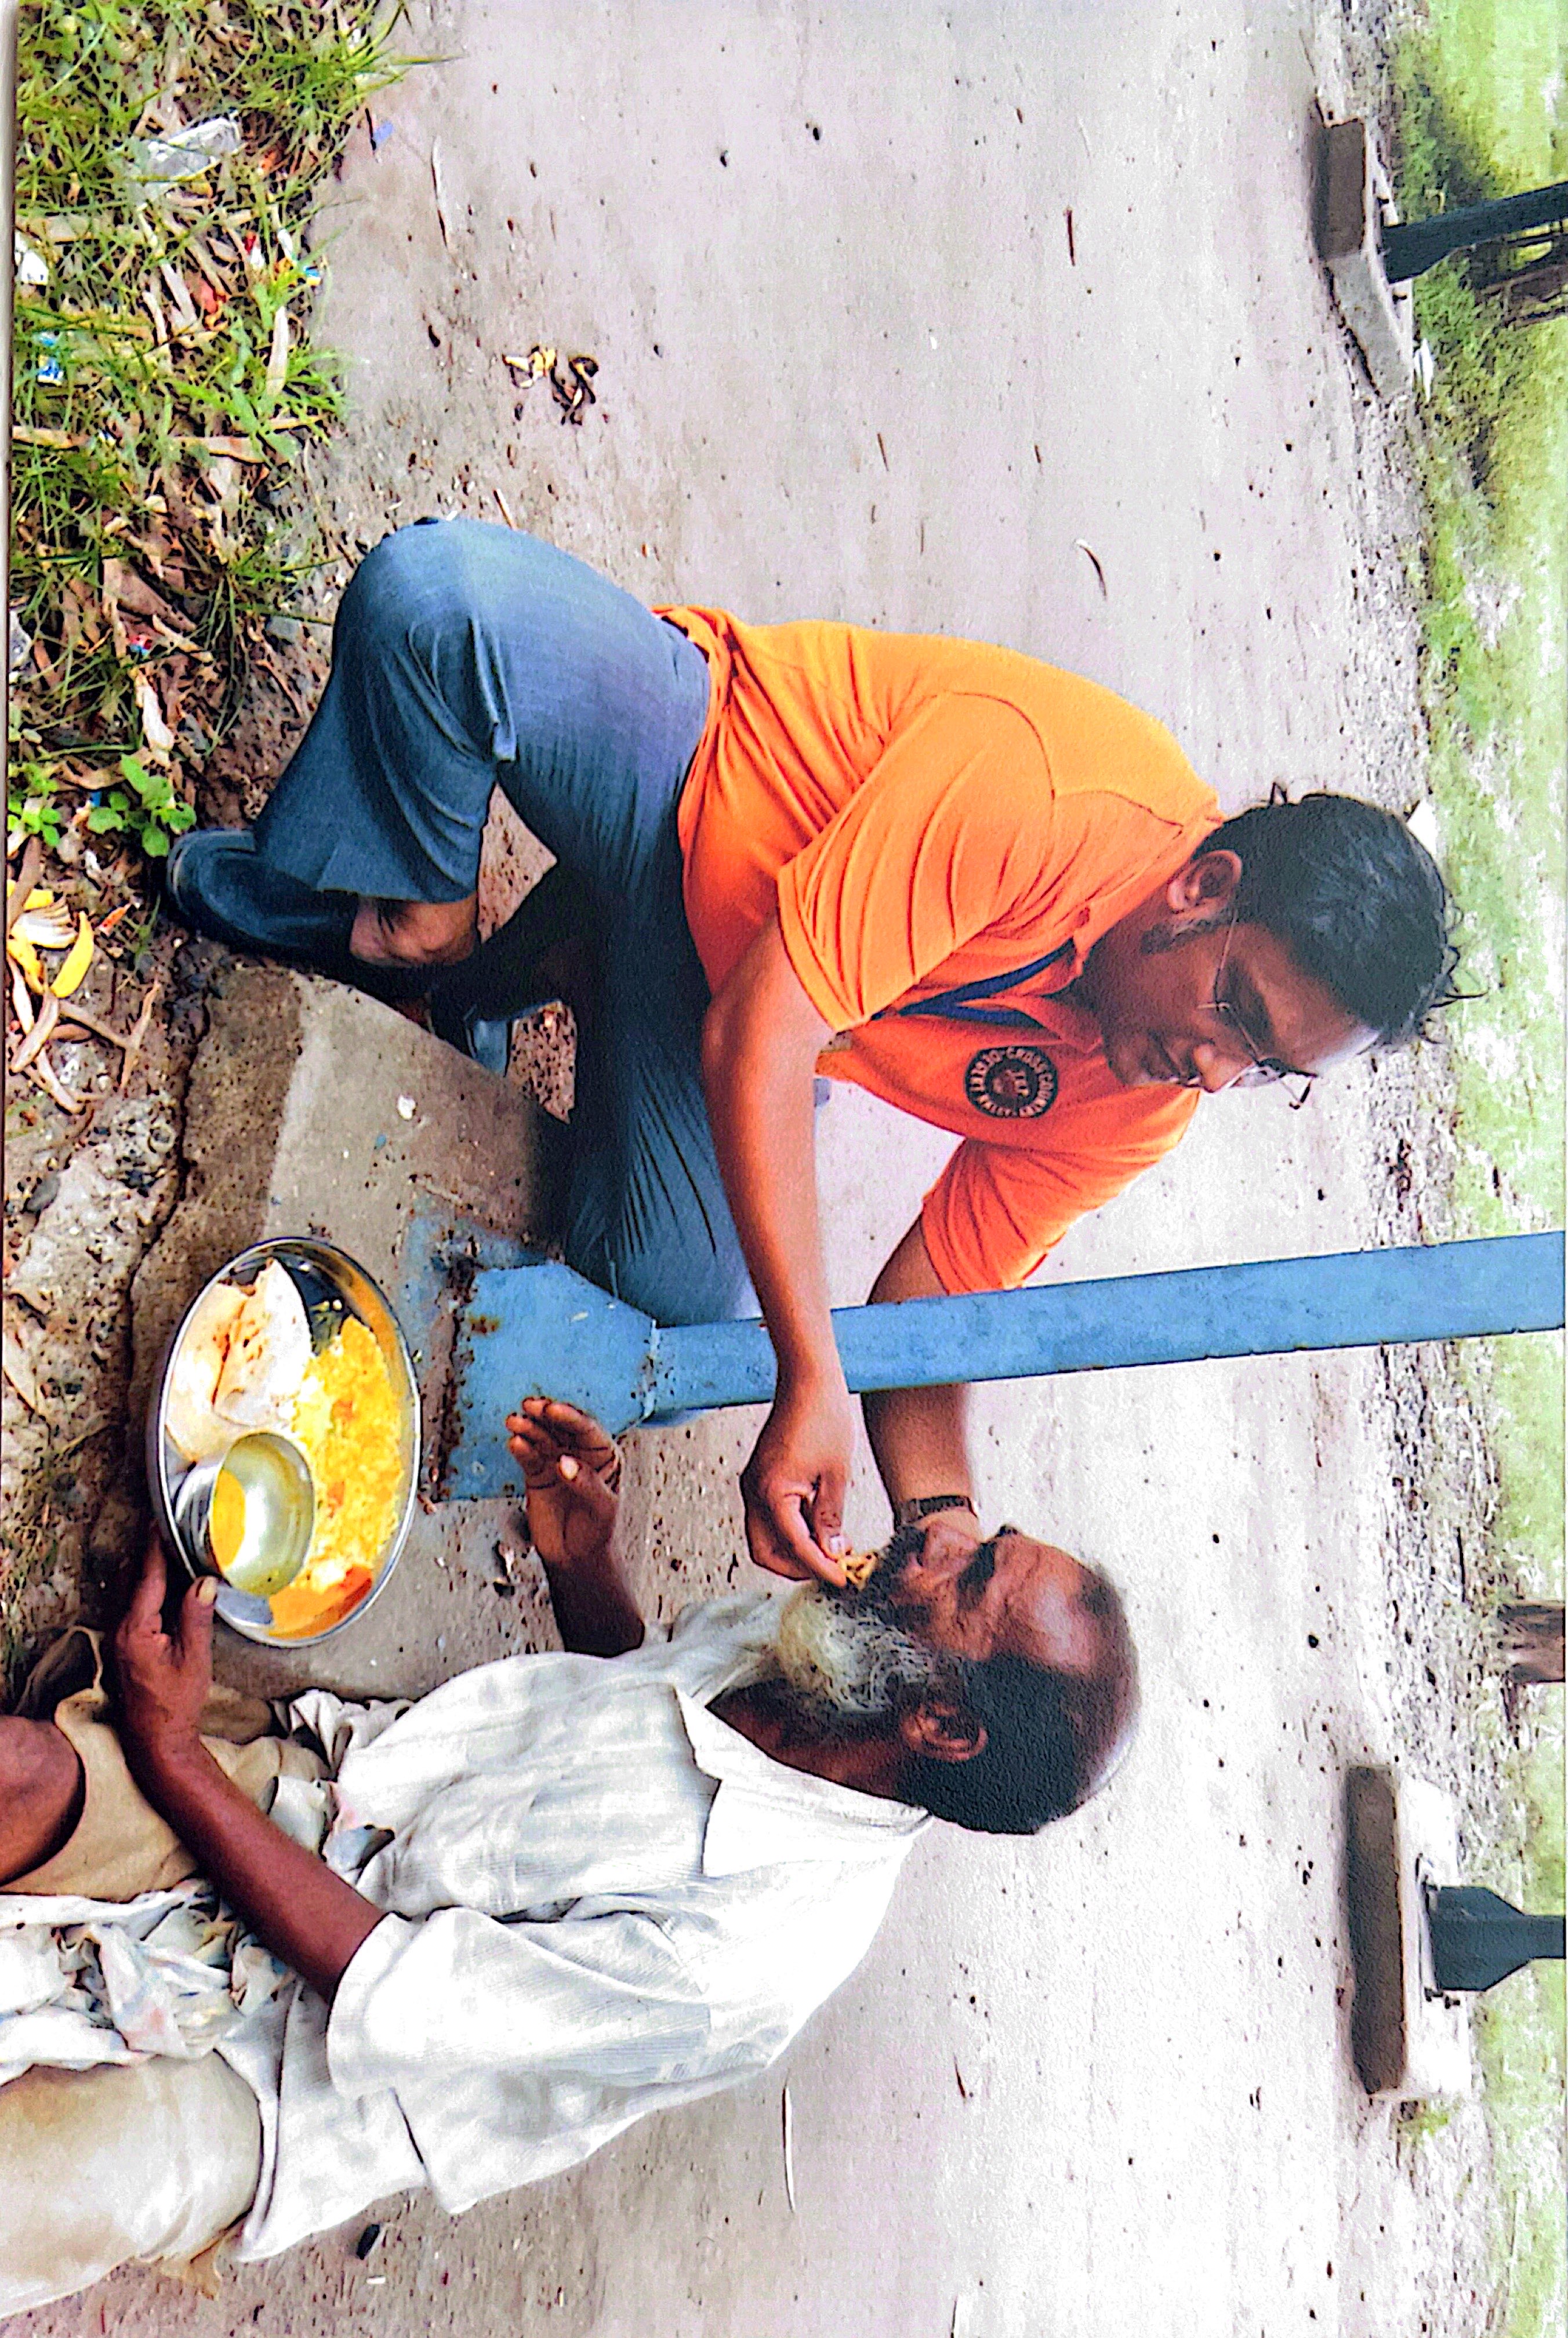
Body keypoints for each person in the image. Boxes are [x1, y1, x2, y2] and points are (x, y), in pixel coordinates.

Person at [161, 518, 1459, 1587]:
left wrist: (940, 1521)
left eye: (1269, 1070)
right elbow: (768, 1034)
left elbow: (929, 1302)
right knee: (440, 606)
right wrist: (808, 1372)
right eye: (1236, 1014)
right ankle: (415, 925)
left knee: (664, 1292)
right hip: (691, 774)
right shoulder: (1050, 794)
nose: (1218, 1070)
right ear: (1201, 888)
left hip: (728, 990)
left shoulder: (1139, 1100)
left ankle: (576, 959)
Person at [0, 1400, 1136, 2311]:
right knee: (18, 1779)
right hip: (338, 1806)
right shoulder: (840, 1652)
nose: (936, 1531)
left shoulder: (747, 1965)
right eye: (985, 1539)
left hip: (295, 2089)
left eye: (972, 1579)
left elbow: (385, 1982)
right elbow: (635, 1712)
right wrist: (584, 1564)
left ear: (941, 1729)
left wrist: (168, 1748)